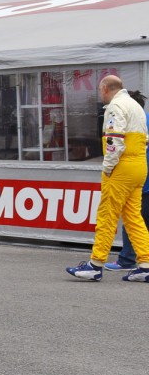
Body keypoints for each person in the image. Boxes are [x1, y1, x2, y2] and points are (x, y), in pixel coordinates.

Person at [67, 76, 149, 281]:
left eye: (99, 90)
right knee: (133, 217)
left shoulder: (115, 107)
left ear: (105, 89)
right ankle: (146, 264)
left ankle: (95, 265)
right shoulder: (135, 106)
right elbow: (144, 139)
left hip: (121, 167)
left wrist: (108, 167)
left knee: (107, 216)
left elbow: (114, 141)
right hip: (139, 166)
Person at [105, 91, 149, 271]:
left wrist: (108, 168)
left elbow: (116, 145)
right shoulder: (143, 119)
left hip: (139, 178)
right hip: (142, 176)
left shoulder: (131, 121)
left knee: (132, 219)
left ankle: (127, 260)